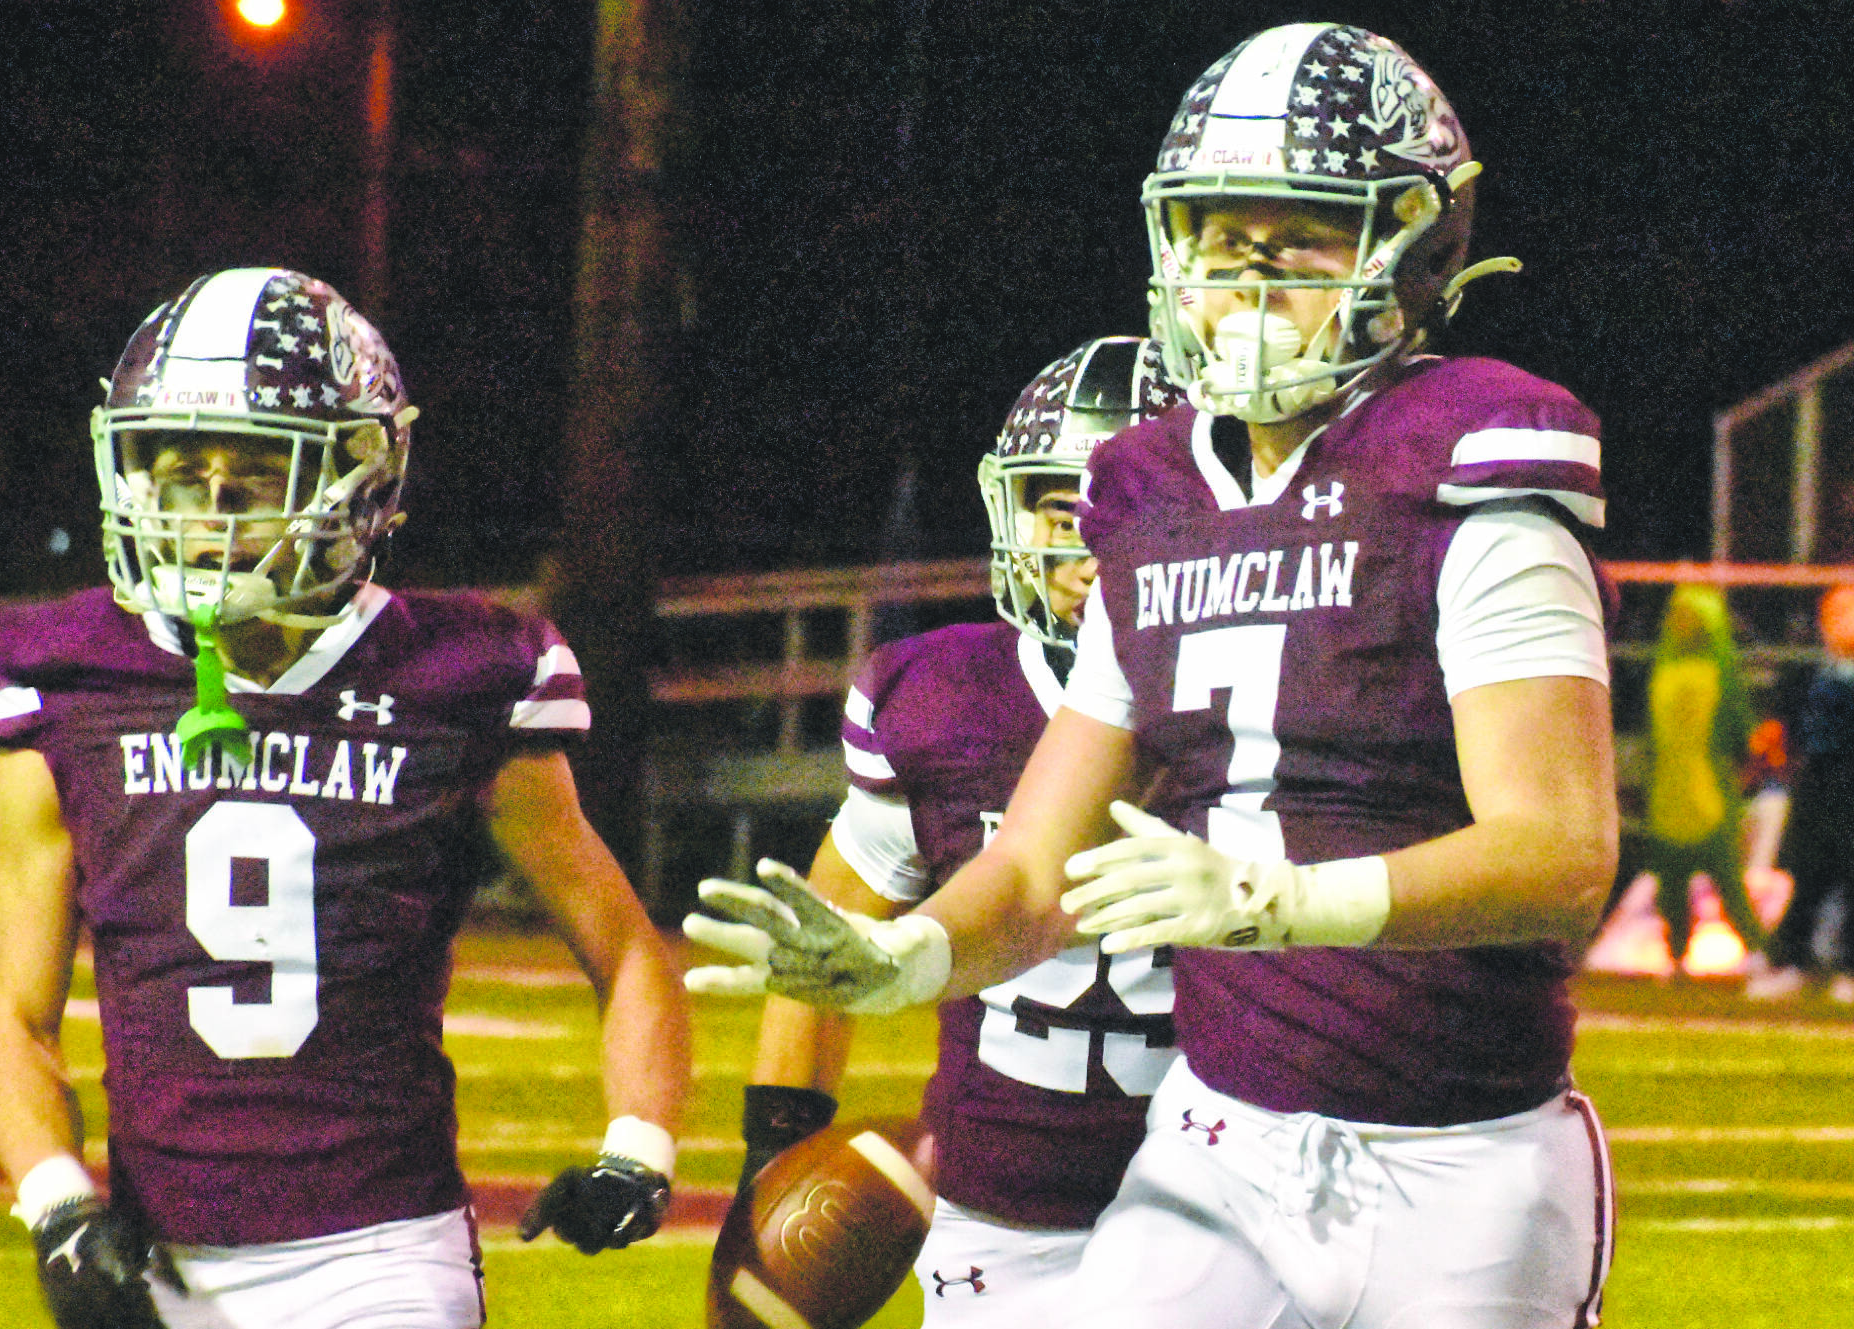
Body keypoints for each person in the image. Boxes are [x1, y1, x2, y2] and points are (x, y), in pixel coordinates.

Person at [688, 24, 1618, 1329]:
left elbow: (1561, 854)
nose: (1248, 281)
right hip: (1218, 1147)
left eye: (1297, 238)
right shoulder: (1152, 492)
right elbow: (1030, 871)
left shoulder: (1472, 469)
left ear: (1411, 246)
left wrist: (1283, 898)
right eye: (1218, 236)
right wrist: (902, 955)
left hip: (1454, 1155)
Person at [0, 267, 689, 1329]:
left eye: (251, 473)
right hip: (155, 1245)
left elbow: (625, 949)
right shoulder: (68, 677)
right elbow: (14, 1013)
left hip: (381, 1254)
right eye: (177, 470)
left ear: (358, 479)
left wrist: (638, 1149)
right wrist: (59, 1204)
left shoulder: (459, 673)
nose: (207, 511)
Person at [722, 338, 1186, 1326]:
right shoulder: (937, 696)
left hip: (1218, 1190)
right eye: (1056, 512)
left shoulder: (1269, 699)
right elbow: (826, 942)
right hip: (999, 1204)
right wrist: (771, 1154)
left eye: (1118, 512)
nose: (1076, 548)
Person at [1638, 584, 1766, 974]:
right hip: (1667, 794)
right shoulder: (1663, 671)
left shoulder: (1721, 675)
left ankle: (1759, 953)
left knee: (1727, 880)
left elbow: (1742, 734)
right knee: (1672, 885)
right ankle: (1676, 956)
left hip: (1711, 792)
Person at [1748, 583, 1854, 1001]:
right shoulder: (1812, 672)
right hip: (1818, 789)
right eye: (1832, 616)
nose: (1837, 625)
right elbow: (1787, 723)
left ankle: (1846, 966)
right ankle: (1793, 961)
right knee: (1810, 879)